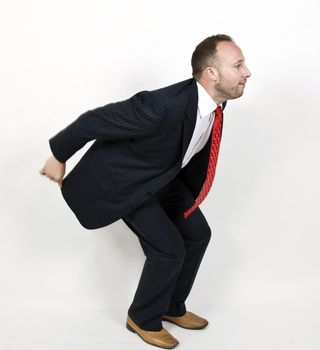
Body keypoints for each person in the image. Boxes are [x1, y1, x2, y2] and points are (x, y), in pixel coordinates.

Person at [39, 34, 251, 349]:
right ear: (211, 74)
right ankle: (142, 317)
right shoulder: (161, 105)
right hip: (126, 183)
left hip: (162, 178)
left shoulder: (215, 105)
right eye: (238, 65)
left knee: (197, 234)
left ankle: (170, 306)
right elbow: (94, 121)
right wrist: (58, 155)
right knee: (169, 249)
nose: (247, 72)